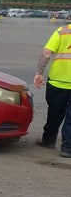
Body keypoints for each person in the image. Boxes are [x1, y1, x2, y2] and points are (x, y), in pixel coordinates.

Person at [33, 23, 71, 157]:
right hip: (58, 82)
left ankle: (49, 140)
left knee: (55, 112)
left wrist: (39, 73)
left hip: (58, 82)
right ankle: (67, 148)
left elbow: (47, 53)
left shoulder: (63, 31)